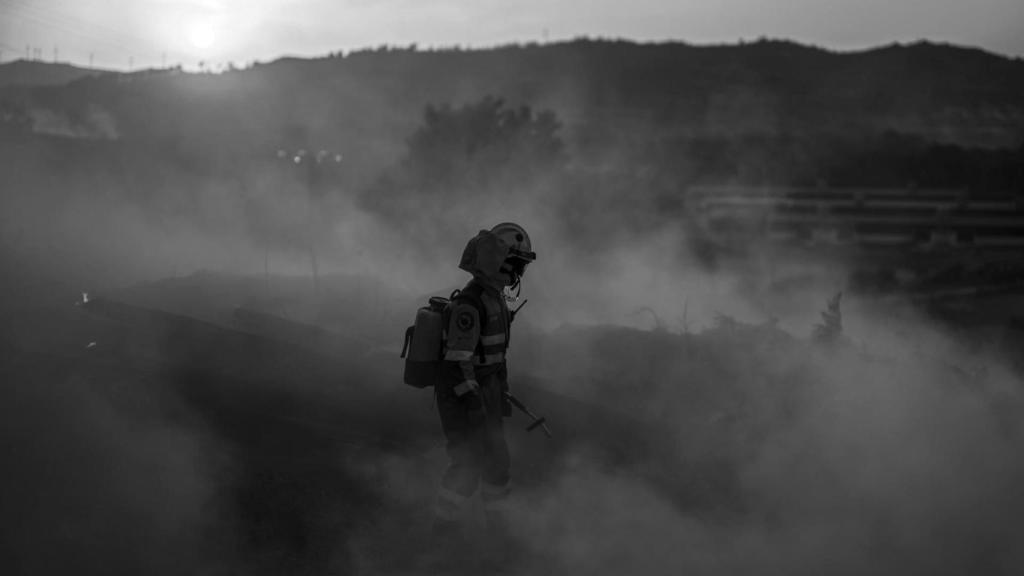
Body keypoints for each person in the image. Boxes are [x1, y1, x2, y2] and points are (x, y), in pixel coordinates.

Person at [433, 222, 536, 536]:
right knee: (468, 462)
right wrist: (474, 402)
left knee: (495, 461)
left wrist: (497, 392)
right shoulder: (470, 304)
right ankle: (442, 527)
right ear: (498, 260)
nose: (519, 271)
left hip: (484, 393)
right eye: (516, 263)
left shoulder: (496, 300)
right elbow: (457, 361)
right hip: (465, 396)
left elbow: (493, 358)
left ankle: (497, 526)